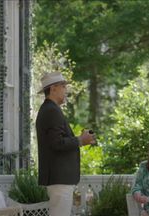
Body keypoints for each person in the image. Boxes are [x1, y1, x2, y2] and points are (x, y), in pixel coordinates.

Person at [35, 72, 95, 216]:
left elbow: (57, 141)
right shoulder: (51, 110)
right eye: (63, 86)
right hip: (59, 178)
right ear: (53, 88)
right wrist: (81, 140)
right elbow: (57, 143)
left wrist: (81, 138)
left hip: (59, 178)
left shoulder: (50, 109)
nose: (66, 90)